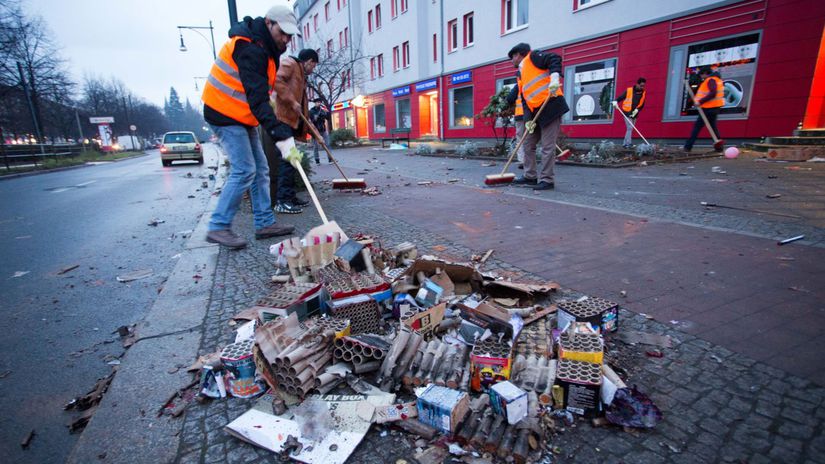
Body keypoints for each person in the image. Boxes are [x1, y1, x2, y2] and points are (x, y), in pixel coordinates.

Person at [201, 2, 302, 249]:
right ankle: (218, 226)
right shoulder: (250, 48)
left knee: (261, 168)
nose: (286, 39)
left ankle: (264, 222)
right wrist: (282, 136)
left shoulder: (267, 49)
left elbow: (262, 96)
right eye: (282, 33)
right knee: (245, 169)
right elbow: (258, 100)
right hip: (223, 112)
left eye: (290, 35)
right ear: (269, 23)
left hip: (242, 115)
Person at [507, 43, 570, 190]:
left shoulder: (533, 57)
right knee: (528, 144)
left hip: (550, 107)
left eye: (512, 57)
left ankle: (547, 180)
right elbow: (524, 99)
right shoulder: (520, 74)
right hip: (535, 112)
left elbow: (554, 58)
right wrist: (528, 120)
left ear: (519, 55)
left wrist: (555, 78)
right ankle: (530, 176)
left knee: (547, 147)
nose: (511, 61)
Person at [268, 48, 318, 215]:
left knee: (291, 161)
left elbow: (301, 102)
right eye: (314, 65)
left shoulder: (302, 75)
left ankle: (289, 196)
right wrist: (291, 101)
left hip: (289, 121)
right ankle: (282, 201)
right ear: (309, 61)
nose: (313, 69)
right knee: (287, 160)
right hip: (281, 118)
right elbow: (276, 80)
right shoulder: (290, 63)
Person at [684, 67, 724, 152]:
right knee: (713, 127)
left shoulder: (711, 80)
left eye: (702, 74)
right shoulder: (717, 80)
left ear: (705, 73)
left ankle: (688, 146)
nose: (701, 77)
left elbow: (713, 93)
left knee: (697, 127)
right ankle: (719, 147)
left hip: (708, 108)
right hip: (714, 107)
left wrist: (700, 102)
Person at [613, 77, 646, 148]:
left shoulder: (643, 93)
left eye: (643, 86)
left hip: (635, 113)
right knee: (630, 128)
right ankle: (628, 143)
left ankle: (624, 143)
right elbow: (621, 97)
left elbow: (642, 103)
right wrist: (615, 101)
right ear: (637, 84)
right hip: (627, 112)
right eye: (641, 86)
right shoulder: (629, 90)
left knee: (630, 128)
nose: (642, 87)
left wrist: (637, 109)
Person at [506, 83, 526, 169]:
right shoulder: (532, 82)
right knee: (532, 138)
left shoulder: (519, 84)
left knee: (520, 138)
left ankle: (522, 160)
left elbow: (510, 99)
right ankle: (530, 161)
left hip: (521, 115)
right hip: (533, 115)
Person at [309, 98, 332, 164]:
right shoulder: (311, 111)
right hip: (315, 131)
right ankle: (317, 160)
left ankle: (330, 159)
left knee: (327, 144)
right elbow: (309, 122)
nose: (319, 103)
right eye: (317, 102)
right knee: (316, 146)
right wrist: (314, 119)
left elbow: (328, 118)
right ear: (315, 103)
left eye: (320, 102)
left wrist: (327, 112)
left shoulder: (322, 110)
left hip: (323, 130)